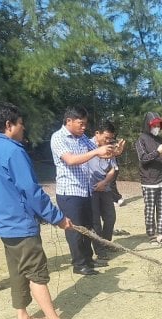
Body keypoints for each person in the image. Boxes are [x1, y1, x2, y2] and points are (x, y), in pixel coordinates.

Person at [0, 102, 84, 319]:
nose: (23, 129)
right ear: (9, 125)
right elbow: (31, 191)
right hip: (19, 223)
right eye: (21, 124)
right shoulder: (13, 151)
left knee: (18, 270)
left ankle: (23, 317)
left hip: (2, 223)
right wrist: (58, 218)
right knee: (36, 272)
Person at [50, 106, 115, 275]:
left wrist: (112, 152)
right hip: (69, 193)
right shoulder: (58, 138)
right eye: (81, 123)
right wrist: (96, 151)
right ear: (69, 121)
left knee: (87, 228)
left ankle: (88, 260)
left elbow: (99, 154)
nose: (84, 127)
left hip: (85, 191)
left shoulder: (82, 138)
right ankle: (79, 265)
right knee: (75, 230)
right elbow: (71, 160)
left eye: (86, 124)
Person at [89, 121, 126, 260]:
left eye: (111, 138)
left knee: (110, 217)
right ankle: (99, 250)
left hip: (105, 187)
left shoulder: (110, 147)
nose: (108, 141)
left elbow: (112, 168)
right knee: (95, 222)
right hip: (90, 189)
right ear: (97, 133)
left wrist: (104, 182)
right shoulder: (85, 145)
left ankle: (107, 242)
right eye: (106, 137)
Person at [135, 112, 162, 245]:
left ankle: (161, 234)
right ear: (148, 125)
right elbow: (143, 159)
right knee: (150, 209)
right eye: (154, 125)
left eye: (158, 125)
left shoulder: (159, 139)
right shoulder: (141, 140)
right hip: (149, 181)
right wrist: (157, 152)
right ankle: (151, 236)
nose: (157, 127)